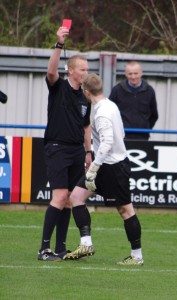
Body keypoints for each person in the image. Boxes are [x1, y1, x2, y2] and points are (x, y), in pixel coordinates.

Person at [65, 73, 143, 265]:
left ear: (86, 91)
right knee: (76, 197)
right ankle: (86, 243)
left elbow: (108, 142)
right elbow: (121, 133)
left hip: (113, 167)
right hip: (104, 165)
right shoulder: (109, 105)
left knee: (125, 210)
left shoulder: (102, 113)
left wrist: (94, 166)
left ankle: (137, 256)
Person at [37, 26, 92, 261]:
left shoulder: (86, 96)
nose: (86, 73)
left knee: (70, 199)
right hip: (57, 147)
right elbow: (51, 71)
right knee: (59, 197)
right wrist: (59, 44)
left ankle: (60, 248)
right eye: (82, 69)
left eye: (87, 69)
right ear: (70, 71)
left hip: (77, 151)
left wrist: (88, 152)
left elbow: (86, 126)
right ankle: (44, 249)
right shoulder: (58, 86)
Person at [109, 61, 158, 140]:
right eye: (130, 74)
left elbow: (154, 115)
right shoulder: (117, 90)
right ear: (125, 74)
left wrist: (146, 129)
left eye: (136, 73)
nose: (133, 77)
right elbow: (109, 112)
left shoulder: (149, 91)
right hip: (121, 137)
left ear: (141, 73)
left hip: (143, 137)